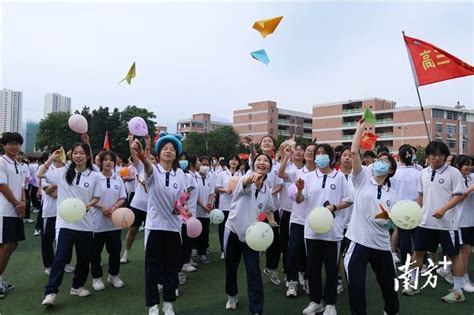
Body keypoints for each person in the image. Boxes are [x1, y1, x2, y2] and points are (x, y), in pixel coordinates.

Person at [344, 119, 400, 315]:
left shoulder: (393, 194)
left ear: (391, 170)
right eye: (378, 160)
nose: (379, 163)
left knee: (390, 290)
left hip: (382, 245)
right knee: (356, 290)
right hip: (359, 242)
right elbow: (353, 152)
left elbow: (392, 220)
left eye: (385, 162)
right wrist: (359, 129)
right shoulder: (362, 180)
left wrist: (390, 217)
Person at [39, 142, 102, 306]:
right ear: (70, 155)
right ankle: (50, 292)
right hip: (65, 223)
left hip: (86, 224)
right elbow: (40, 173)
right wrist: (52, 158)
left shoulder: (95, 175)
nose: (78, 156)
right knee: (60, 257)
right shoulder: (62, 172)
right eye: (75, 153)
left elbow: (97, 197)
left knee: (83, 259)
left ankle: (77, 286)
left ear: (87, 156)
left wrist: (89, 205)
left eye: (82, 153)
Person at [403, 141, 466, 303]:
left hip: (447, 224)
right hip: (425, 222)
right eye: (433, 155)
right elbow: (421, 196)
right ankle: (412, 283)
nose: (436, 158)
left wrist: (444, 209)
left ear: (445, 156)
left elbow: (459, 195)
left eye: (440, 155)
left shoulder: (453, 173)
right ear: (428, 156)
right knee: (418, 252)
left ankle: (458, 291)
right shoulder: (423, 173)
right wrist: (416, 212)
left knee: (454, 255)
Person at [131, 134, 186, 315]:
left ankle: (169, 303)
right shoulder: (153, 170)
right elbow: (147, 167)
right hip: (154, 227)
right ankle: (153, 305)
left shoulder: (179, 175)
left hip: (174, 228)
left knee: (172, 268)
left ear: (176, 154)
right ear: (159, 153)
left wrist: (182, 209)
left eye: (172, 149)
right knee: (152, 268)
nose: (169, 151)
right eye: (165, 148)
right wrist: (142, 156)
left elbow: (182, 199)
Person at [296, 144, 351, 315]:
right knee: (313, 268)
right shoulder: (309, 177)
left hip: (333, 232)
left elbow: (349, 200)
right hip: (312, 231)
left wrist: (334, 207)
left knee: (331, 269)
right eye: (317, 153)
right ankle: (315, 301)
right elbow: (299, 200)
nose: (320, 156)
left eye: (323, 153)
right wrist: (298, 190)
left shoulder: (340, 177)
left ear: (330, 156)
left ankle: (330, 303)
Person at [224, 153, 275, 314]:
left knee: (254, 272)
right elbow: (245, 182)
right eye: (259, 160)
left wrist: (271, 221)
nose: (262, 163)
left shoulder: (267, 190)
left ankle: (256, 310)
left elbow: (268, 209)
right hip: (232, 230)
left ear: (269, 167)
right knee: (231, 267)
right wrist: (251, 178)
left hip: (251, 237)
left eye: (266, 161)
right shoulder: (244, 181)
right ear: (253, 165)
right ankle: (232, 295)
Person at [278, 143, 317, 297]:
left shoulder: (321, 175)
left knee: (310, 253)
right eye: (307, 150)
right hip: (297, 219)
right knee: (293, 250)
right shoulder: (297, 172)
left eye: (312, 152)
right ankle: (292, 280)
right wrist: (287, 155)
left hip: (314, 221)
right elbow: (281, 174)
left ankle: (307, 278)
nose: (308, 153)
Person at [90, 151, 126, 291]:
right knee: (95, 252)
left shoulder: (118, 179)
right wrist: (102, 207)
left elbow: (122, 197)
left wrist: (115, 206)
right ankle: (97, 278)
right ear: (101, 162)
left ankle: (114, 275)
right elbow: (89, 198)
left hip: (114, 222)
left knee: (115, 250)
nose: (108, 162)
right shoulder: (95, 178)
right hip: (96, 222)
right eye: (105, 160)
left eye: (111, 160)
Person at [0, 132, 27, 299]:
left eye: (17, 143)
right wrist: (17, 204)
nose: (14, 146)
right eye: (10, 143)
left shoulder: (18, 163)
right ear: (4, 145)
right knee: (6, 245)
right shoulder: (2, 162)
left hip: (15, 210)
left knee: (12, 244)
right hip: (4, 211)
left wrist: (23, 203)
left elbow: (22, 187)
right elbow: (2, 186)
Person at [391, 145, 421, 264]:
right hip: (415, 208)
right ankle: (418, 262)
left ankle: (406, 262)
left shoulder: (394, 174)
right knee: (416, 238)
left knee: (404, 238)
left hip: (400, 209)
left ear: (399, 158)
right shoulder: (418, 173)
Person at [40, 146, 66, 275]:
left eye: (63, 153)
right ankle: (49, 264)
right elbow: (48, 191)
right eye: (58, 153)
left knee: (64, 238)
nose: (60, 156)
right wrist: (57, 186)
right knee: (48, 239)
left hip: (65, 211)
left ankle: (64, 263)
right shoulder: (48, 170)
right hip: (50, 210)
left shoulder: (68, 169)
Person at [454, 155, 474, 292]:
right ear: (459, 166)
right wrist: (469, 190)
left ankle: (447, 269)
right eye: (466, 164)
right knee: (465, 251)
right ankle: (464, 280)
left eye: (471, 164)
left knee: (465, 251)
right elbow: (455, 199)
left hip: (470, 220)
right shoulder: (455, 179)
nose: (469, 167)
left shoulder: (472, 177)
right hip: (459, 220)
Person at [215, 155, 241, 260]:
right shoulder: (222, 174)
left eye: (236, 160)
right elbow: (217, 188)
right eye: (232, 159)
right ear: (228, 162)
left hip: (237, 207)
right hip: (224, 206)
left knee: (237, 229)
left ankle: (236, 250)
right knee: (223, 229)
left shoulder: (241, 175)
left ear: (238, 163)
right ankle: (223, 250)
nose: (234, 162)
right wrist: (226, 190)